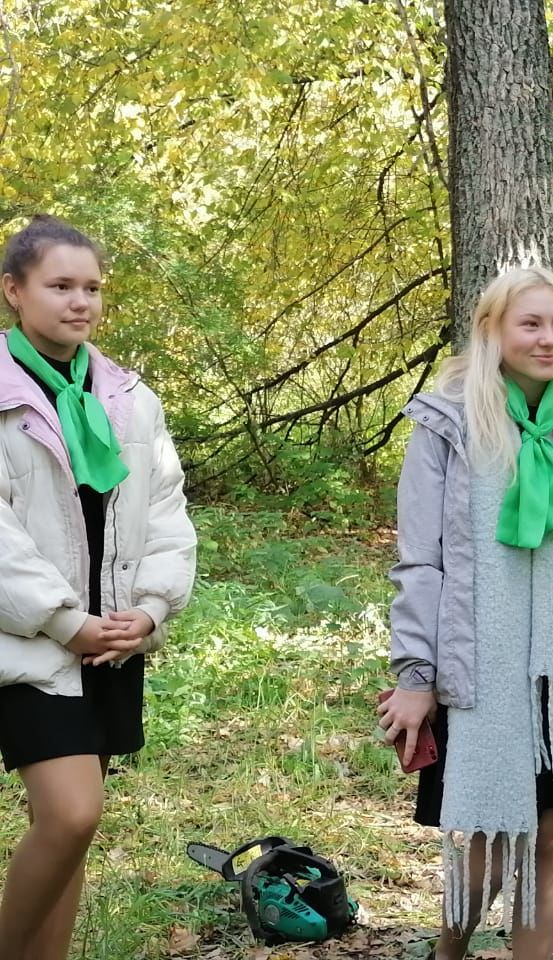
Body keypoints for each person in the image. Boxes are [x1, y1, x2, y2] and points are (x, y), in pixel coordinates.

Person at [379, 266, 553, 960]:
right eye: (531, 323)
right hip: (481, 669)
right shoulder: (445, 423)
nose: (549, 338)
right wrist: (415, 676)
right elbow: (421, 560)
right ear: (493, 331)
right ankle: (449, 951)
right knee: (484, 838)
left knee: (550, 833)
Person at [0, 215, 198, 958]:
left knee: (69, 836)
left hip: (109, 643)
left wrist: (146, 612)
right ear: (14, 291)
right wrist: (62, 620)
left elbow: (166, 515)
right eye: (59, 286)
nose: (79, 302)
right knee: (71, 815)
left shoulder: (127, 397)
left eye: (91, 288)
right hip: (26, 644)